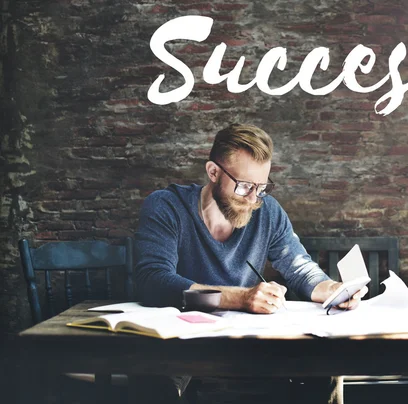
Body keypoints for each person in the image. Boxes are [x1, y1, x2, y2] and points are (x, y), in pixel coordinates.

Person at [133, 123, 367, 404]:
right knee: (151, 372)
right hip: (183, 342)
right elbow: (153, 281)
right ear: (213, 172)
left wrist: (330, 288)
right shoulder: (167, 206)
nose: (253, 199)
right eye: (244, 186)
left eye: (261, 187)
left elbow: (299, 266)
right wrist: (240, 298)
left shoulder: (267, 211)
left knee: (326, 363)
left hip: (247, 342)